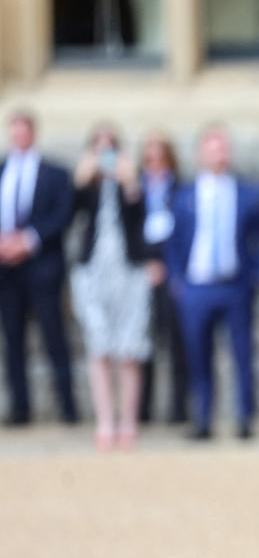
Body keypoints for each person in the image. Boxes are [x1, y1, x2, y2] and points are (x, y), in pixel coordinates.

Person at [164, 125, 259, 440]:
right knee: (198, 354)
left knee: (242, 353)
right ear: (200, 154)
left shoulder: (246, 193)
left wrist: (254, 276)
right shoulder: (184, 197)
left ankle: (245, 418)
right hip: (196, 287)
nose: (219, 154)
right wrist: (177, 280)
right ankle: (203, 419)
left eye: (223, 148)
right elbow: (173, 241)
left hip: (235, 285)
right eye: (212, 148)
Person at [69, 123, 152, 449]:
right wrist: (80, 181)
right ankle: (105, 421)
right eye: (98, 147)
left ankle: (128, 421)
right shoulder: (84, 186)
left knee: (130, 349)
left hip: (128, 270)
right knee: (99, 347)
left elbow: (145, 220)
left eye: (111, 147)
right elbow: (67, 217)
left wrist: (130, 182)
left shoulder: (132, 180)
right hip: (93, 270)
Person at [0, 110, 78, 426]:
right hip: (6, 271)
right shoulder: (2, 169)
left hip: (42, 267)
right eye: (14, 131)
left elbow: (63, 215)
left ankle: (68, 407)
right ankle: (20, 408)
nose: (19, 137)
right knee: (12, 339)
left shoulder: (54, 173)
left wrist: (29, 239)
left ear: (33, 133)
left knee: (53, 336)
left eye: (24, 131)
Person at [138, 131, 188, 425]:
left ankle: (178, 409)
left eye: (160, 158)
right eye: (149, 158)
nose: (155, 164)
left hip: (171, 274)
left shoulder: (180, 191)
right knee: (143, 344)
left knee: (176, 344)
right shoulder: (136, 190)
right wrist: (145, 264)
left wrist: (171, 266)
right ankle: (143, 409)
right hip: (143, 274)